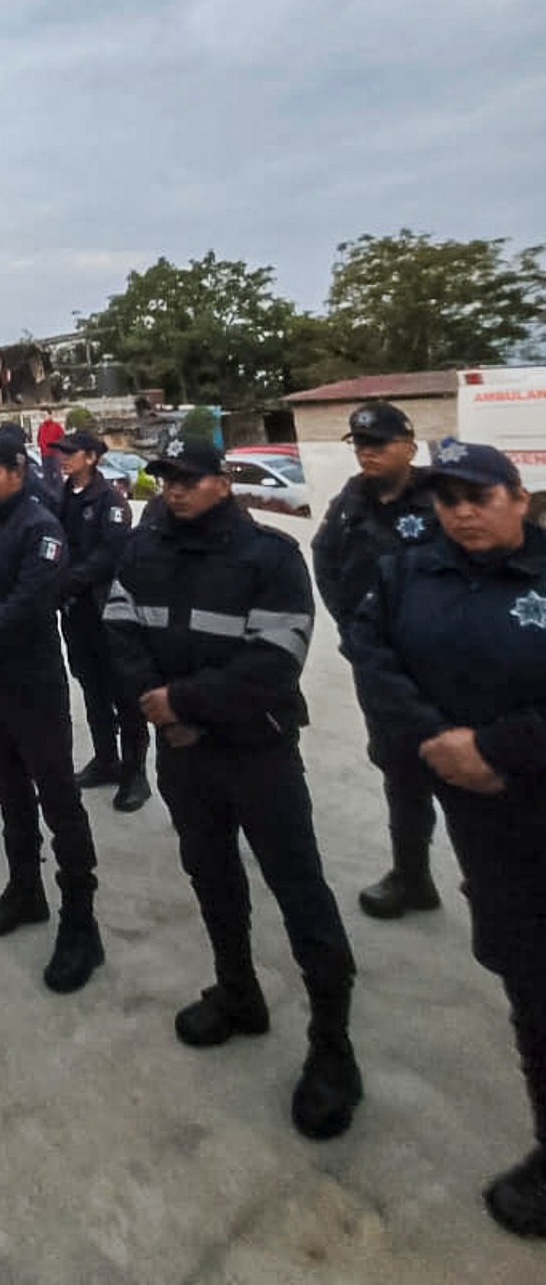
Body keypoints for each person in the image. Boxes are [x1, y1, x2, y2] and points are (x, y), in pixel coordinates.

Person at [105, 435, 361, 1141]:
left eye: (189, 478)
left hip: (257, 753)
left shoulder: (271, 556)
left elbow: (275, 661)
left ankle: (333, 1049)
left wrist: (183, 704)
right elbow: (118, 629)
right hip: (183, 756)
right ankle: (238, 993)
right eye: (166, 478)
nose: (174, 489)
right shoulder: (145, 547)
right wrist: (155, 703)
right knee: (212, 876)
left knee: (299, 889)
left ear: (223, 481)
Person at [347, 440, 546, 1238]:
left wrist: (498, 751)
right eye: (447, 497)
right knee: (527, 982)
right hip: (478, 816)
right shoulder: (409, 571)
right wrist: (439, 742)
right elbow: (370, 650)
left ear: (519, 497)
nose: (462, 511)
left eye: (479, 494)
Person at [0, 428, 104, 991]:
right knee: (9, 792)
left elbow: (31, 602)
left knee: (59, 799)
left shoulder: (42, 528)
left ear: (17, 469)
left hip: (32, 684)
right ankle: (25, 889)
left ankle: (81, 924)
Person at [311, 401, 440, 920]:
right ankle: (412, 876)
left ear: (409, 444)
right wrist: (352, 627)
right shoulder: (352, 498)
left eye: (379, 443)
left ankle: (503, 891)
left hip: (446, 661)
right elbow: (324, 556)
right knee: (401, 769)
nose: (367, 453)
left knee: (473, 772)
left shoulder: (443, 495)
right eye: (360, 444)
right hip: (379, 663)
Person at [54, 430, 145, 811]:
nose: (63, 458)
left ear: (91, 457)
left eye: (70, 453)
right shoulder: (65, 496)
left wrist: (68, 580)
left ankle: (134, 773)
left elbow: (110, 555)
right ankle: (105, 759)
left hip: (107, 610)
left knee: (124, 693)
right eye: (61, 452)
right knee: (92, 689)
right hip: (76, 611)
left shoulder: (111, 501)